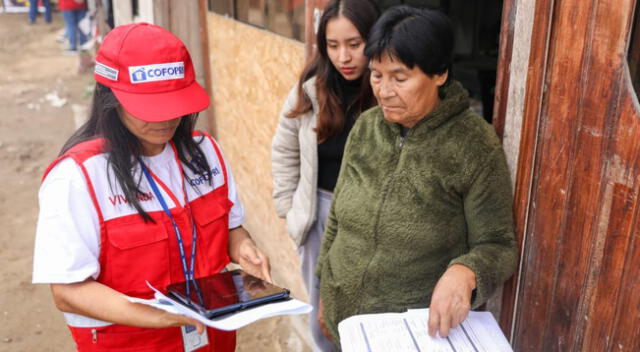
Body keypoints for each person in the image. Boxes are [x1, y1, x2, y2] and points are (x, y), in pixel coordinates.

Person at [32, 23, 271, 351]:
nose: (166, 119)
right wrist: (162, 316)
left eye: (174, 102)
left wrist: (243, 248)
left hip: (212, 336)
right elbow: (68, 291)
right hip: (131, 343)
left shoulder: (207, 153)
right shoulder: (77, 178)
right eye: (150, 106)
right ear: (109, 99)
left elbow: (231, 228)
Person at [315, 6, 518, 345]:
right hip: (346, 320)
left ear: (439, 74)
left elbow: (497, 244)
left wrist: (465, 271)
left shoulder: (473, 145)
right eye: (377, 75)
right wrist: (325, 289)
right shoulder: (366, 127)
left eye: (400, 77)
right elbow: (337, 215)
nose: (383, 91)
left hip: (411, 333)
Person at [271, 0, 379, 350]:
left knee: (370, 307)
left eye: (354, 44)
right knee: (322, 312)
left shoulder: (388, 93)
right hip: (319, 211)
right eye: (333, 46)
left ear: (374, 40)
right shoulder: (309, 91)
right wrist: (290, 208)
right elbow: (284, 151)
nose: (343, 57)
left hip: (373, 218)